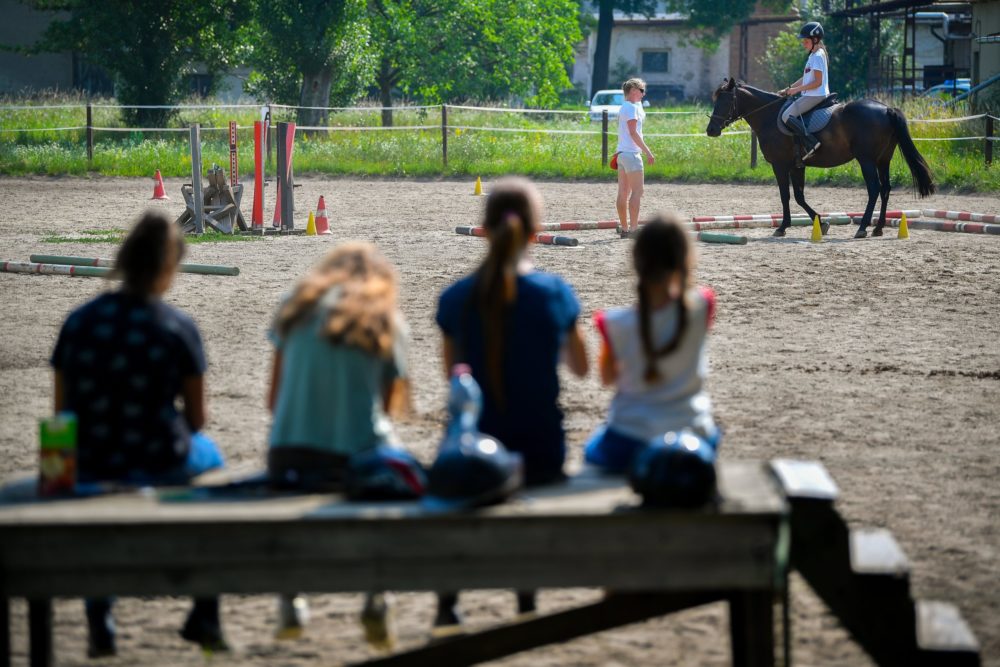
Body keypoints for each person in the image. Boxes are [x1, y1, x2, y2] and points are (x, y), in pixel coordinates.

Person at [49, 210, 226, 657]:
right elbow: (198, 419)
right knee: (213, 462)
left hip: (90, 458)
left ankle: (99, 616)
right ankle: (205, 609)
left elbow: (59, 414)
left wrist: (55, 480)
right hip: (158, 457)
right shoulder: (177, 327)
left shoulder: (79, 322)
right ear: (168, 267)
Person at [434, 176, 589, 629]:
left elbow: (452, 377)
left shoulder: (455, 298)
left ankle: (449, 597)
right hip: (540, 451)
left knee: (453, 480)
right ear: (534, 228)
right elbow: (581, 367)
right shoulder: (554, 293)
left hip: (474, 450)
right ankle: (526, 598)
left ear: (485, 226)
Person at [266, 242, 411, 646]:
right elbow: (385, 408)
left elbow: (273, 401)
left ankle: (292, 597)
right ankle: (378, 594)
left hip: (289, 456)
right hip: (355, 463)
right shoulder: (386, 319)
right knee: (397, 473)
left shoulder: (292, 307)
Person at [584, 214, 720, 474]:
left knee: (591, 450)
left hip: (629, 439)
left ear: (637, 262)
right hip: (693, 432)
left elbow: (607, 377)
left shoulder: (615, 323)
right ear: (685, 260)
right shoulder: (703, 305)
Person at [779, 22, 831, 161]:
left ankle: (812, 143)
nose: (804, 44)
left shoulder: (818, 56)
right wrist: (788, 89)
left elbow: (817, 82)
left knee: (786, 116)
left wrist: (796, 90)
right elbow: (806, 78)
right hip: (811, 94)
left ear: (815, 40)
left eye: (806, 41)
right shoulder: (813, 55)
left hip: (816, 95)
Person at [615, 77, 655, 239]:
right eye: (641, 91)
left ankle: (625, 228)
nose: (643, 94)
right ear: (633, 91)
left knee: (622, 193)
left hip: (622, 154)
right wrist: (647, 151)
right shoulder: (631, 108)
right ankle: (633, 229)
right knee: (638, 192)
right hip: (632, 154)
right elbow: (633, 132)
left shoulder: (626, 106)